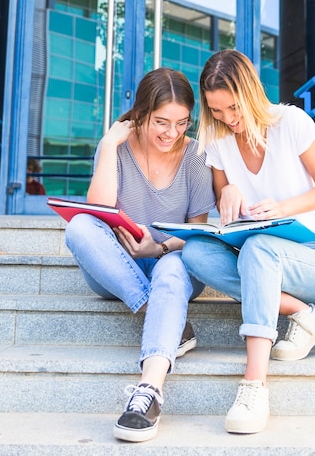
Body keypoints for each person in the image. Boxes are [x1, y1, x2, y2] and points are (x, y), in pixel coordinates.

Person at [181, 50, 315, 435]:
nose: (228, 119)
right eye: (217, 111)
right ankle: (300, 313)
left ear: (251, 91)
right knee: (195, 252)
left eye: (233, 108)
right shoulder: (219, 139)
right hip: (259, 257)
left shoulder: (292, 122)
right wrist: (229, 191)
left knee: (259, 247)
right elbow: (225, 200)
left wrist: (281, 208)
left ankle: (254, 385)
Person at [64, 68, 215, 443]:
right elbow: (97, 209)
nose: (171, 132)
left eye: (182, 123)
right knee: (79, 227)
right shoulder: (115, 147)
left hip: (172, 263)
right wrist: (109, 145)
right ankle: (165, 316)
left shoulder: (195, 154)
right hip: (119, 268)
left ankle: (148, 392)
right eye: (161, 121)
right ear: (139, 114)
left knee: (173, 266)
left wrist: (160, 247)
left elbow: (198, 230)